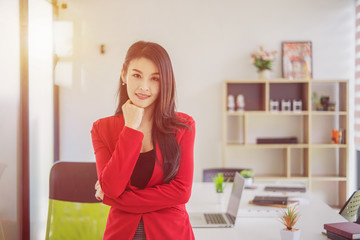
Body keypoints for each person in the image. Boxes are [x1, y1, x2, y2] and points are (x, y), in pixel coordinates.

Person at [91, 41, 196, 240]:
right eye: (137, 75)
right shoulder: (102, 129)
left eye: (155, 79)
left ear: (165, 82)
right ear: (124, 75)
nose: (144, 87)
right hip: (122, 233)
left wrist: (116, 200)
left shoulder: (183, 126)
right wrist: (130, 128)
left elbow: (182, 192)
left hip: (171, 233)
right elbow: (112, 188)